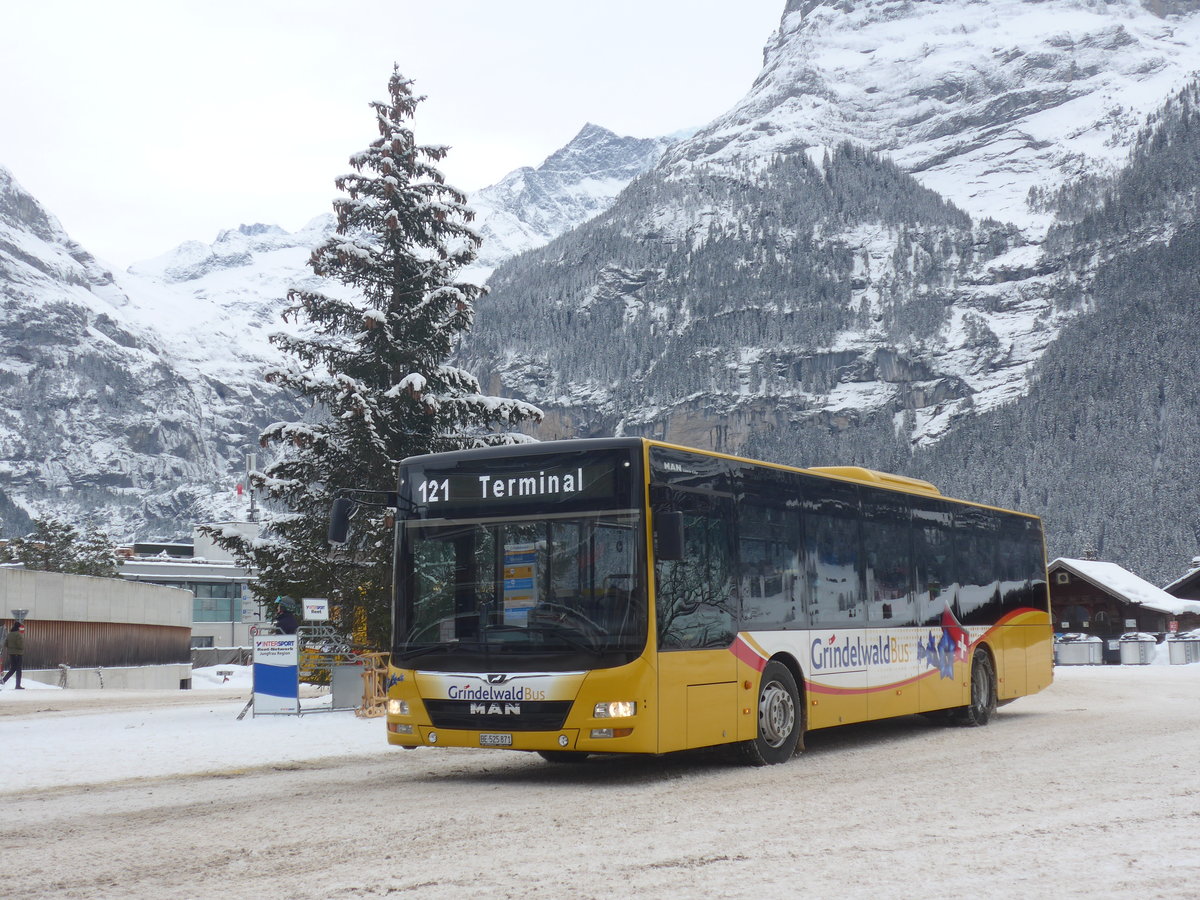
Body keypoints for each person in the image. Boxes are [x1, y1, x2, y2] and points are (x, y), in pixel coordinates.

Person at [1, 621, 24, 689]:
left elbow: (5, 644)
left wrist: (11, 648)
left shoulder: (9, 634)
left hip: (11, 654)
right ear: (18, 627)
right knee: (18, 669)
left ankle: (3, 680)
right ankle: (17, 685)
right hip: (18, 654)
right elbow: (20, 645)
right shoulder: (18, 634)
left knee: (13, 668)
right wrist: (22, 648)